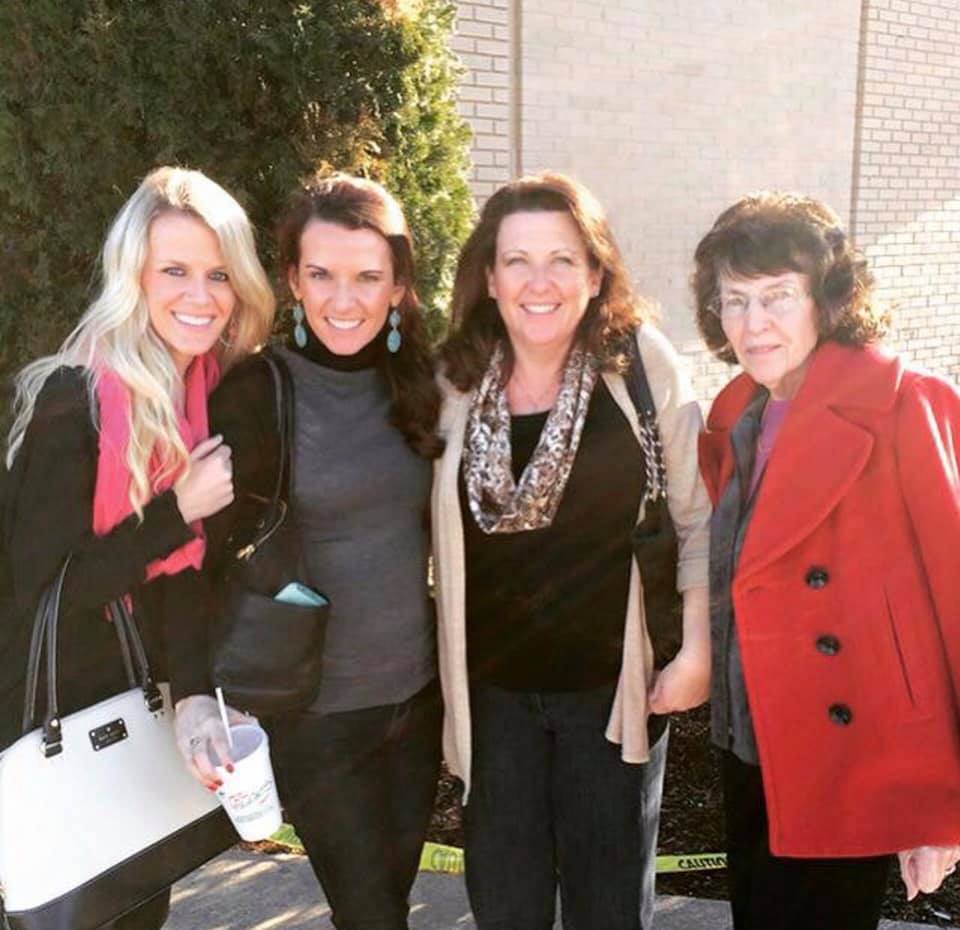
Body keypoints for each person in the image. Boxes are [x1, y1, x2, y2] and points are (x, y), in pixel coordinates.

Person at [433, 172, 711, 930]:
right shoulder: (453, 379)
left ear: (595, 273)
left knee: (609, 910)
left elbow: (697, 518)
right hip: (493, 704)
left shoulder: (641, 366)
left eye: (562, 259)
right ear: (490, 278)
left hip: (614, 698)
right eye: (517, 261)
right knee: (507, 908)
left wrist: (696, 651)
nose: (540, 282)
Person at [1, 165, 275, 929]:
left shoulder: (191, 394)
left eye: (218, 273)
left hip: (128, 713)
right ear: (135, 278)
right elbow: (45, 593)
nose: (201, 295)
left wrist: (193, 697)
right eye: (174, 271)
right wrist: (176, 509)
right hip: (48, 726)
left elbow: (177, 577)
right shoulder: (74, 399)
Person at [174, 173, 444, 930]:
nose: (343, 300)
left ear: (399, 287)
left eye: (368, 277)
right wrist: (192, 692)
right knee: (371, 915)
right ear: (292, 279)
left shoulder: (423, 384)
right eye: (321, 275)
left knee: (386, 905)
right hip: (316, 716)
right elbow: (198, 561)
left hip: (416, 702)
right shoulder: (257, 391)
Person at [694, 191, 960, 929]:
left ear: (828, 298)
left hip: (853, 759)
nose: (753, 322)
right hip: (749, 746)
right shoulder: (737, 410)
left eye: (777, 296)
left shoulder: (906, 404)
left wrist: (942, 809)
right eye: (734, 300)